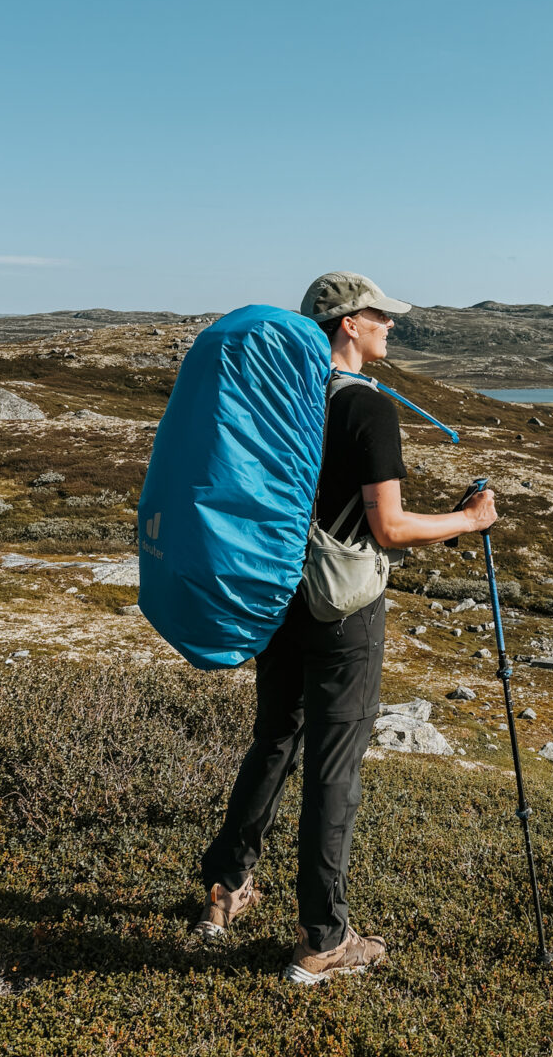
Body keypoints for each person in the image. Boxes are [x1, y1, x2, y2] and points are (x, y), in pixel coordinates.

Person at [195, 271, 497, 982]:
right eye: (379, 316)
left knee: (274, 740)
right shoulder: (366, 408)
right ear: (348, 325)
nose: (391, 326)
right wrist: (468, 520)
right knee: (333, 770)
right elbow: (387, 529)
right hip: (343, 611)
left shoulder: (282, 400)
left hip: (279, 595)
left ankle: (225, 891)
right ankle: (323, 940)